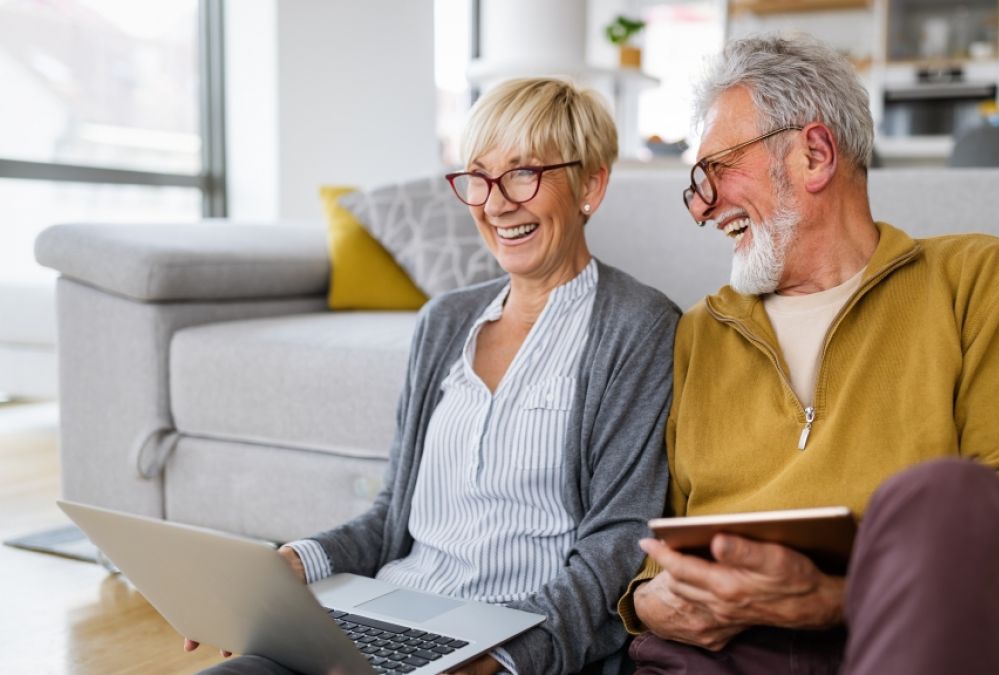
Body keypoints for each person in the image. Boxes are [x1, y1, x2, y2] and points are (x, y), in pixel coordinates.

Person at [618, 35, 999, 674]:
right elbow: (658, 539)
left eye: (717, 169)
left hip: (899, 641)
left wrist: (835, 600)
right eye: (695, 183)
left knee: (955, 497)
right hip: (716, 657)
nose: (703, 207)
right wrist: (647, 602)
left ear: (814, 153)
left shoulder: (977, 281)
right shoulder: (703, 330)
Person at [193, 77, 679, 675]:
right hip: (387, 619)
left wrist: (497, 658)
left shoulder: (638, 326)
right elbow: (391, 515)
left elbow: (616, 546)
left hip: (518, 645)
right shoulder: (444, 320)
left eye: (524, 172)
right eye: (478, 176)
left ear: (592, 185)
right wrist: (293, 565)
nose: (496, 203)